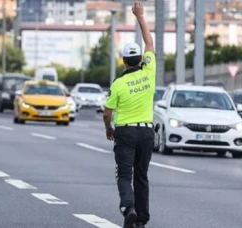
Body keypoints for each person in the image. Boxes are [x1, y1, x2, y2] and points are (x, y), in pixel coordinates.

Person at [102, 1, 155, 228]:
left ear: (123, 61)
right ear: (140, 59)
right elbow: (149, 42)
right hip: (146, 133)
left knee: (124, 175)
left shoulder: (119, 83)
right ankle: (141, 220)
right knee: (141, 176)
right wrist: (140, 16)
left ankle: (128, 207)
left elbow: (107, 112)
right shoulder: (150, 71)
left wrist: (108, 128)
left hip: (125, 133)